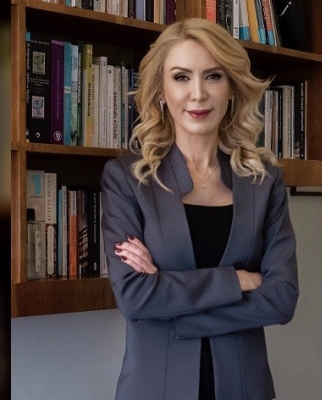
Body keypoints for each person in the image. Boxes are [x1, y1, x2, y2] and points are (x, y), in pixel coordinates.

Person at [100, 17, 299, 400]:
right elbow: (135, 297)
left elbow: (281, 299)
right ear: (161, 90)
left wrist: (172, 305)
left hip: (245, 389)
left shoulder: (265, 180)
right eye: (181, 77)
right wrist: (236, 281)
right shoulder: (126, 179)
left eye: (213, 76)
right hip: (156, 390)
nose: (198, 94)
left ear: (231, 87)